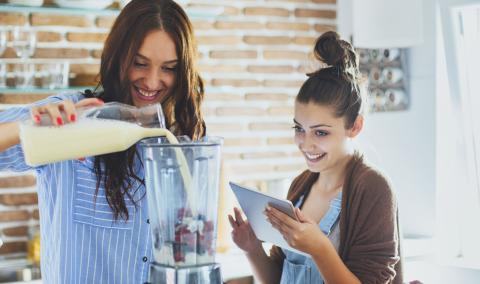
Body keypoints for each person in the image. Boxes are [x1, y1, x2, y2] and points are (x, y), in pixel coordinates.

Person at [0, 0, 205, 283]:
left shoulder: (182, 136)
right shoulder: (71, 117)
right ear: (118, 56)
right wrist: (27, 127)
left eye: (169, 68)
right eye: (139, 63)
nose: (152, 81)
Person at [228, 31, 402, 283]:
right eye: (299, 128)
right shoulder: (300, 185)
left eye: (320, 132)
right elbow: (279, 278)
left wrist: (319, 248)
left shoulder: (373, 189)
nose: (305, 143)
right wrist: (252, 249)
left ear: (355, 126)